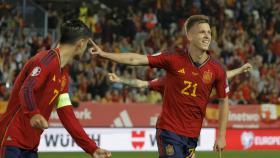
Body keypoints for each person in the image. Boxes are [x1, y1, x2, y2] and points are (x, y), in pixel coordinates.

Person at [90, 15, 230, 158]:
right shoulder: (173, 59)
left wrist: (222, 136)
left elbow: (224, 100)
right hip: (169, 131)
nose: (207, 36)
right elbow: (136, 59)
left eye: (209, 32)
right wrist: (105, 54)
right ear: (189, 36)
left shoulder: (217, 69)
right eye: (202, 32)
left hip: (192, 136)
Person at [0, 19, 111, 158]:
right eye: (87, 44)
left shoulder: (63, 73)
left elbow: (66, 114)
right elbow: (26, 89)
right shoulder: (47, 59)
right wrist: (33, 113)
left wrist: (91, 148)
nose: (86, 49)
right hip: (11, 140)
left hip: (31, 146)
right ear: (81, 43)